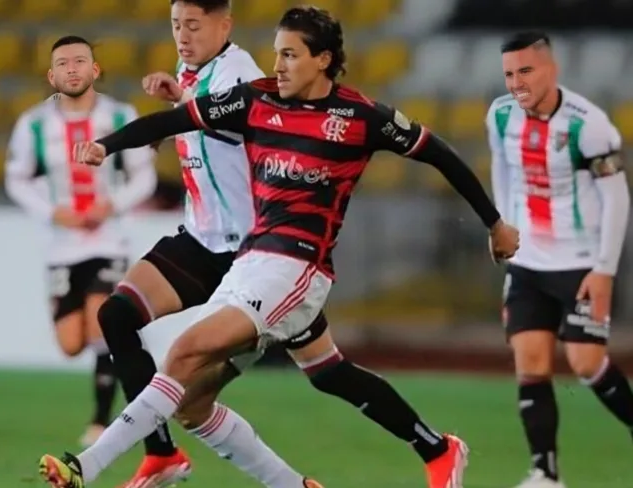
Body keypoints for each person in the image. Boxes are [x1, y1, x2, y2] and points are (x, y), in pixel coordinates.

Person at [38, 6, 520, 488]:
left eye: (290, 55)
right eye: (277, 54)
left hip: (299, 268)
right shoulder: (257, 100)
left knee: (184, 353)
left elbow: (438, 153)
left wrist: (494, 223)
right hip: (249, 263)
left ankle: (86, 466)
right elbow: (174, 122)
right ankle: (432, 450)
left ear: (323, 59)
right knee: (207, 400)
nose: (279, 65)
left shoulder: (360, 117)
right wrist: (107, 144)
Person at [488, 31, 632, 488]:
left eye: (526, 71)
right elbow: (502, 169)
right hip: (529, 263)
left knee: (587, 363)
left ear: (551, 70)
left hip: (582, 263)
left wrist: (605, 270)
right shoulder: (501, 115)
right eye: (509, 73)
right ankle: (545, 474)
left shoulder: (588, 124)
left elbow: (617, 198)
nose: (516, 83)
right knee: (530, 362)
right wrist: (502, 225)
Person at [5, 35, 157, 448]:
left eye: (80, 61)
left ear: (96, 70)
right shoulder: (33, 124)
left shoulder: (121, 116)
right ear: (51, 75)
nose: (72, 69)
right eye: (63, 63)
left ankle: (100, 421)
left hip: (109, 241)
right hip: (62, 245)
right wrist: (52, 212)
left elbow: (145, 175)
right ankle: (131, 352)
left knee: (101, 324)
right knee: (72, 344)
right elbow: (16, 179)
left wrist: (111, 206)